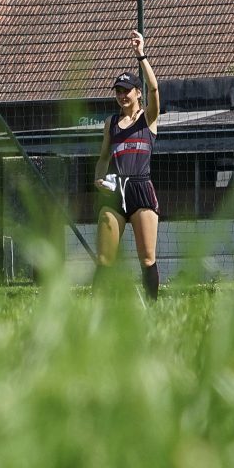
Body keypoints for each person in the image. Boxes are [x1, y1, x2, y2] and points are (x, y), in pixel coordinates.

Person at [97, 31, 165, 300]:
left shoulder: (148, 119)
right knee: (104, 260)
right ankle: (98, 313)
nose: (122, 95)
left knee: (147, 258)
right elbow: (103, 158)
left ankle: (153, 308)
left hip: (141, 188)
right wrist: (98, 178)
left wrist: (141, 54)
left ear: (138, 93)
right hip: (114, 191)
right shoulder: (110, 123)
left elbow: (155, 89)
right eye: (118, 91)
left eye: (127, 90)